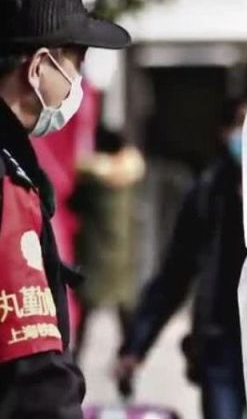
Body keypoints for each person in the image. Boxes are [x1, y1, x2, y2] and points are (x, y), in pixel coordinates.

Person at [0, 0, 130, 416]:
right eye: (74, 65)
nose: (76, 86)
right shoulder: (8, 182)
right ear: (37, 67)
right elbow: (33, 369)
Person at [113, 99, 247, 419]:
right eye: (240, 124)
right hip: (221, 343)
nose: (246, 134)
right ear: (224, 131)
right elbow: (175, 274)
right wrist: (136, 345)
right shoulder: (208, 192)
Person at [71, 127, 145, 360]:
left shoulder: (92, 181)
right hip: (122, 258)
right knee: (125, 317)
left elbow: (73, 203)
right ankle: (128, 361)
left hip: (95, 258)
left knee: (86, 316)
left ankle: (76, 360)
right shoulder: (130, 177)